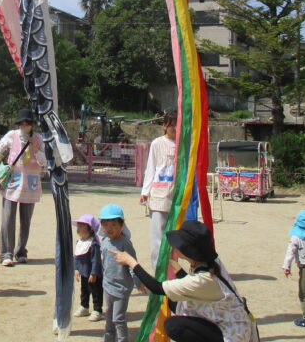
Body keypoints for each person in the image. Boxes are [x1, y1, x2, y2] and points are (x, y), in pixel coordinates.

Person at [110, 219, 251, 342]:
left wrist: (131, 262)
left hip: (233, 335)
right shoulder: (212, 262)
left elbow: (156, 287)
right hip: (229, 322)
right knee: (172, 301)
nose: (174, 246)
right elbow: (196, 288)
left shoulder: (204, 279)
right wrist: (179, 271)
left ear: (188, 250)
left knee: (174, 325)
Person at [0, 108, 46, 266]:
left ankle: (21, 251)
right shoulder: (12, 135)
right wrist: (1, 156)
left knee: (26, 220)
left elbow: (44, 161)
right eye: (22, 122)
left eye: (27, 122)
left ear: (32, 124)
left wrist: (35, 147)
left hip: (30, 184)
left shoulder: (38, 138)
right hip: (13, 183)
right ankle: (6, 253)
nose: (24, 125)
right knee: (8, 218)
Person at [99, 204, 144, 342]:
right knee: (109, 315)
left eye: (113, 224)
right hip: (108, 286)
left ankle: (122, 339)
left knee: (118, 318)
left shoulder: (125, 243)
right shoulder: (105, 241)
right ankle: (108, 337)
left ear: (122, 225)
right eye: (105, 224)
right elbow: (104, 262)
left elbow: (132, 264)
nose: (109, 228)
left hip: (122, 288)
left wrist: (138, 282)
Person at [140, 112, 177, 270]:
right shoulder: (157, 143)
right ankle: (158, 271)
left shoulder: (183, 145)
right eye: (171, 124)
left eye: (177, 124)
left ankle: (173, 271)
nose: (174, 127)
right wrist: (145, 191)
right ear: (165, 126)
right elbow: (151, 168)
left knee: (175, 238)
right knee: (157, 237)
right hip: (159, 195)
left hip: (176, 196)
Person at [72, 213, 104, 322]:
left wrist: (94, 273)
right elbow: (76, 257)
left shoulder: (94, 244)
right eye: (79, 226)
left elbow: (96, 260)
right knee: (84, 290)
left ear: (90, 229)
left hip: (93, 274)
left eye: (82, 226)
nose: (79, 228)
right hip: (84, 273)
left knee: (96, 292)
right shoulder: (79, 242)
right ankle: (84, 306)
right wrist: (76, 269)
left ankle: (97, 310)